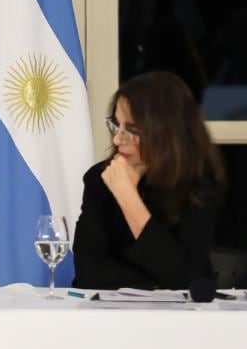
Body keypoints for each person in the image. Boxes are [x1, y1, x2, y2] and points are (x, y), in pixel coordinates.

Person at [72, 71, 226, 290]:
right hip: (109, 318)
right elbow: (88, 275)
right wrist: (156, 279)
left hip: (186, 319)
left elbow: (186, 278)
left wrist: (127, 196)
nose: (117, 139)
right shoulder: (100, 178)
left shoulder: (198, 184)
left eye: (131, 130)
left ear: (166, 133)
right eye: (116, 125)